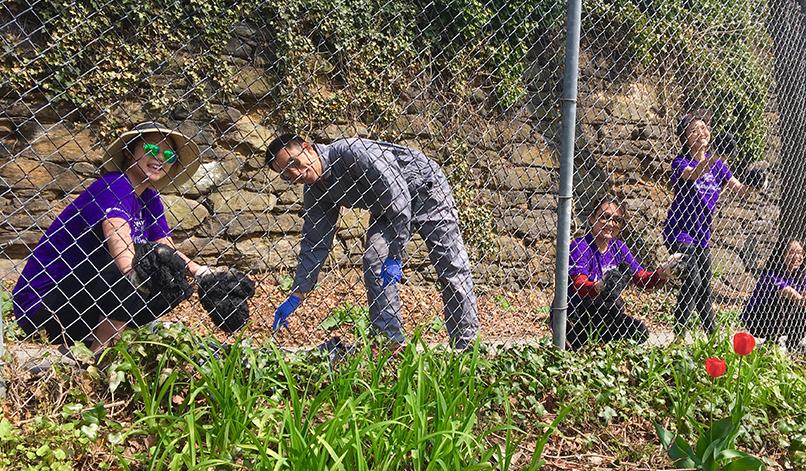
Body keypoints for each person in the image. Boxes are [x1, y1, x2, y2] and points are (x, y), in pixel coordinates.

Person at [12, 122, 216, 354]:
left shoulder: (149, 198)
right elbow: (117, 235)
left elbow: (164, 247)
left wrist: (201, 274)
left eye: (168, 154)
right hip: (43, 306)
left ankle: (108, 335)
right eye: (151, 150)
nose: (160, 158)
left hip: (83, 306)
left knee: (172, 274)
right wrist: (137, 279)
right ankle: (100, 354)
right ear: (130, 152)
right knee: (133, 263)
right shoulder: (114, 185)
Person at [265, 134, 478, 350]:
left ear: (307, 147)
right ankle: (390, 343)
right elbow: (315, 240)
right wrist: (298, 292)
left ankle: (466, 345)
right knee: (375, 261)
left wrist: (395, 256)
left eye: (294, 163)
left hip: (425, 188)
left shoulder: (351, 152)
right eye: (286, 174)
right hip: (387, 206)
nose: (295, 174)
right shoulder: (315, 189)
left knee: (450, 264)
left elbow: (398, 195)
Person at [663, 110, 763, 336]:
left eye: (704, 128)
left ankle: (711, 335)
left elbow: (741, 190)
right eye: (694, 130)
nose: (701, 132)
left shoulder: (719, 167)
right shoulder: (680, 162)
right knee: (693, 281)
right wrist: (716, 156)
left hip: (702, 236)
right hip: (679, 231)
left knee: (704, 286)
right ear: (685, 138)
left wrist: (758, 182)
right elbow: (694, 174)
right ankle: (679, 336)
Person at [557, 197, 682, 349]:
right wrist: (599, 286)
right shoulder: (581, 246)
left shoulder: (618, 247)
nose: (610, 224)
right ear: (592, 219)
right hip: (577, 314)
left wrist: (664, 271)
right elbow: (578, 284)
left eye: (617, 220)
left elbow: (641, 278)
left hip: (604, 314)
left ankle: (604, 348)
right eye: (604, 217)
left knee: (638, 331)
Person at [741, 239, 806, 349]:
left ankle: (792, 343)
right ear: (781, 254)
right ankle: (773, 340)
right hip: (759, 320)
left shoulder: (803, 276)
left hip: (787, 317)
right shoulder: (770, 275)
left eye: (800, 253)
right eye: (791, 252)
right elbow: (796, 297)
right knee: (782, 300)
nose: (797, 257)